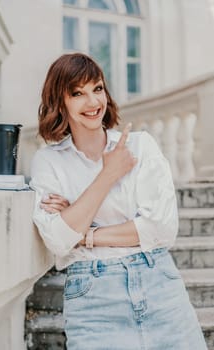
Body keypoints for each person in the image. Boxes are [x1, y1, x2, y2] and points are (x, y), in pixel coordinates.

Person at [30, 52, 207, 350]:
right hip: (93, 300)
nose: (93, 102)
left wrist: (84, 233)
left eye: (97, 88)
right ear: (60, 103)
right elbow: (58, 240)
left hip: (160, 288)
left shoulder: (141, 145)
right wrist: (109, 173)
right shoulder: (49, 162)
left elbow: (161, 229)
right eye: (78, 93)